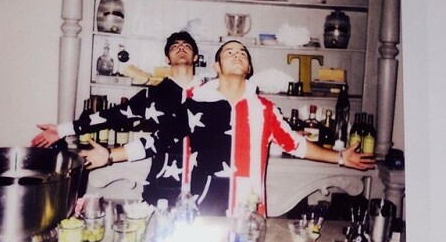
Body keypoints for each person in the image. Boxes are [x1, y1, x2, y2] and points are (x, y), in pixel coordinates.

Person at [82, 40, 375, 216]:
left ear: (249, 68)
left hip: (248, 212)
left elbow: (296, 145)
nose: (237, 55)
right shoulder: (195, 104)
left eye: (243, 53)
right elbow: (157, 141)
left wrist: (340, 157)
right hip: (199, 210)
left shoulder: (265, 109)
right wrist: (110, 156)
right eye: (229, 52)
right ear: (216, 67)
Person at [31, 31, 202, 204]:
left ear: (195, 57)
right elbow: (113, 115)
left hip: (203, 184)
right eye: (174, 46)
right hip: (162, 184)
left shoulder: (210, 94)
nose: (181, 48)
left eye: (186, 46)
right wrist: (62, 130)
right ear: (167, 59)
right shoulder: (154, 94)